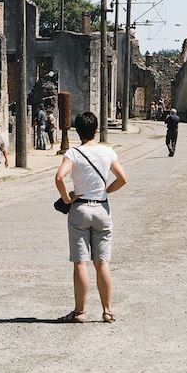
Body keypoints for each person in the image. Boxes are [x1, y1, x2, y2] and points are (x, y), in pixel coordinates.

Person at [54, 110, 127, 323]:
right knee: (102, 263)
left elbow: (59, 177)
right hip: (102, 209)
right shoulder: (108, 152)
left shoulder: (74, 154)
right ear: (95, 130)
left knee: (80, 263)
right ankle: (107, 310)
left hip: (81, 209)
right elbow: (122, 178)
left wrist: (67, 198)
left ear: (78, 131)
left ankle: (80, 312)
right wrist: (105, 191)